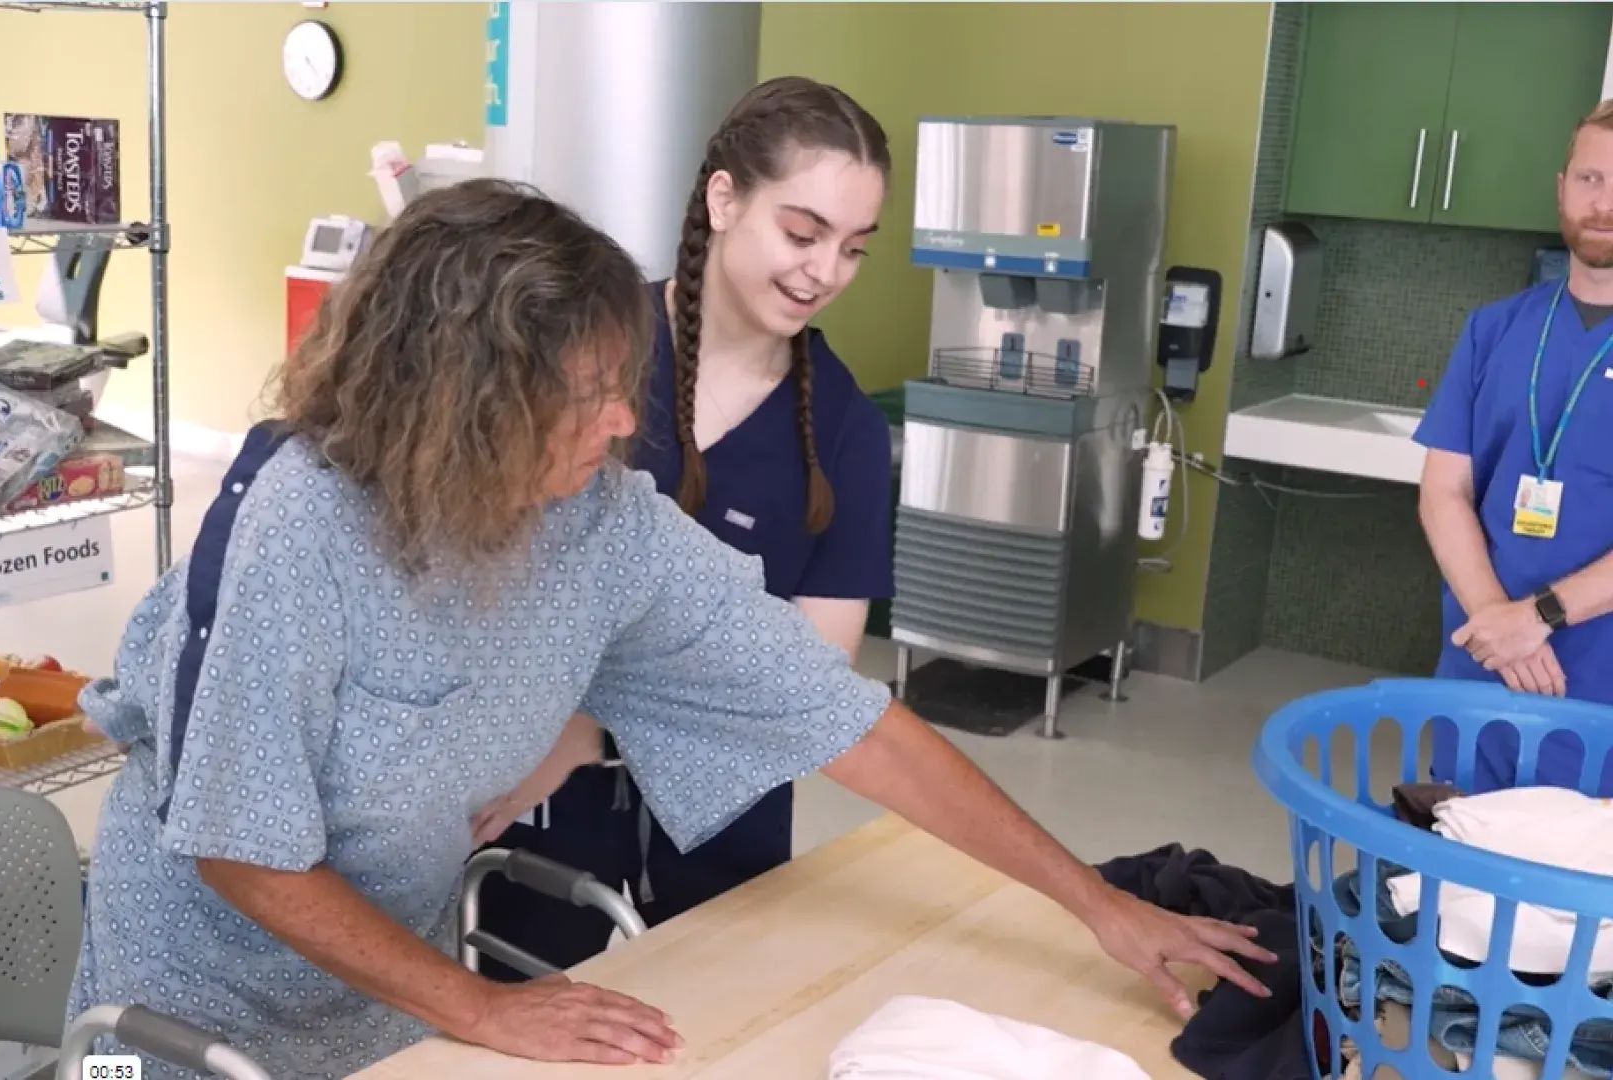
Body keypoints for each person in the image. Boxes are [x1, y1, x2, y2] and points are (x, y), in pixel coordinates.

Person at [69, 178, 1273, 1079]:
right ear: (461, 400)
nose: (618, 424)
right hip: (183, 1009)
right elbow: (239, 846)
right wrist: (483, 1005)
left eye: (621, 384)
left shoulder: (602, 526)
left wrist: (1100, 904)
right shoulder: (298, 523)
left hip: (394, 1005)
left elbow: (850, 725)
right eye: (583, 394)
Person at [469, 76, 896, 978]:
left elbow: (812, 677)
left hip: (722, 826)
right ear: (724, 197)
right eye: (803, 232)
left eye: (854, 249)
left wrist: (587, 730)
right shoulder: (586, 352)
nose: (826, 273)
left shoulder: (848, 433)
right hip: (530, 798)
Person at [1415, 100, 1613, 797]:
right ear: (1561, 186)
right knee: (1459, 868)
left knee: (1576, 891)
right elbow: (1443, 491)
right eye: (1591, 179)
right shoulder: (1494, 329)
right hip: (1483, 663)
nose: (1605, 204)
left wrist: (1538, 620)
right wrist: (1496, 622)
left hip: (1596, 679)